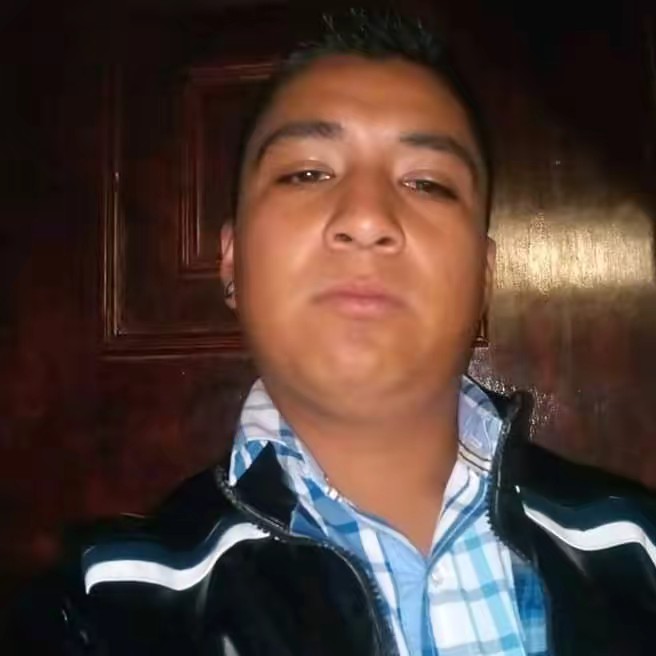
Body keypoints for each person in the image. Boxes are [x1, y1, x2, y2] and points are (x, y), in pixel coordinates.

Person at [8, 9, 656, 656]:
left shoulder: (640, 550)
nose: (367, 218)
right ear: (231, 261)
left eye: (427, 183)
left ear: (483, 277)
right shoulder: (98, 611)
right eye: (307, 174)